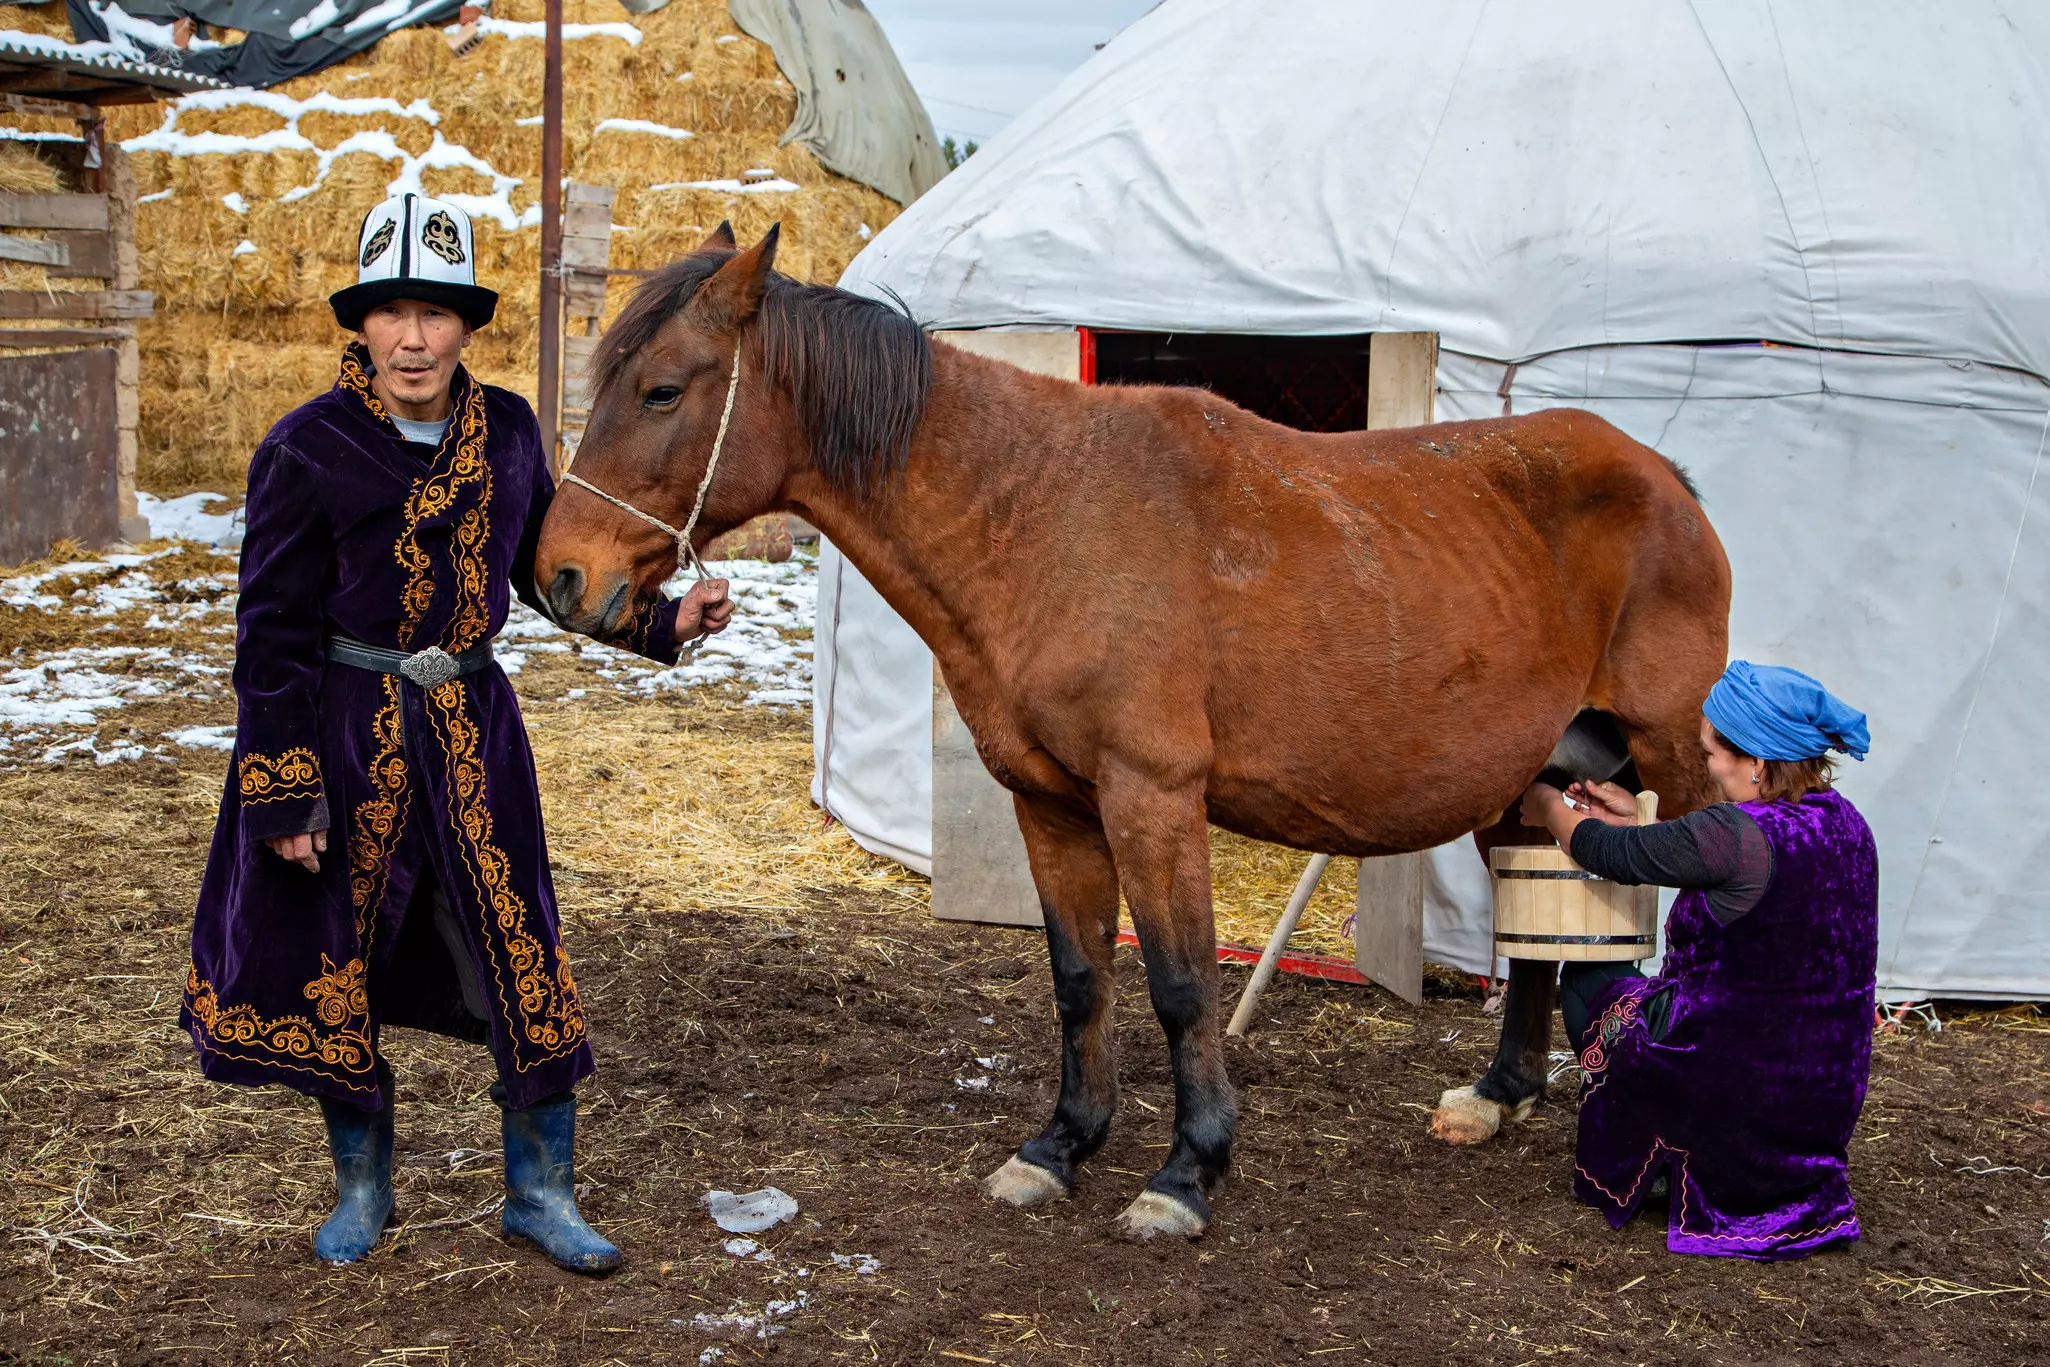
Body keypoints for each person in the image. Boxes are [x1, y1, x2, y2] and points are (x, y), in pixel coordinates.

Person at [180, 193, 735, 1272]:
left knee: (519, 948)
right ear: (362, 325)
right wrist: (284, 789)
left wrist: (663, 623)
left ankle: (538, 1193)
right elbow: (273, 631)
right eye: (390, 312)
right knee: (338, 957)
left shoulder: (513, 430)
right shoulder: (305, 448)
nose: (413, 337)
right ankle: (364, 1187)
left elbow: (543, 577)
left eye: (435, 312)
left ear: (468, 325)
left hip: (477, 737)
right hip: (347, 735)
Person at [1518, 660, 1877, 1260]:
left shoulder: (1733, 834)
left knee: (1590, 978)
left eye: (1713, 752)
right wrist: (1640, 817)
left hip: (1732, 1089)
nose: (1707, 766)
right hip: (1820, 1098)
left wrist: (1550, 805)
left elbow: (1606, 851)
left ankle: (1662, 1148)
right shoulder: (1846, 823)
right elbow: (1717, 853)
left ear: (1756, 761)